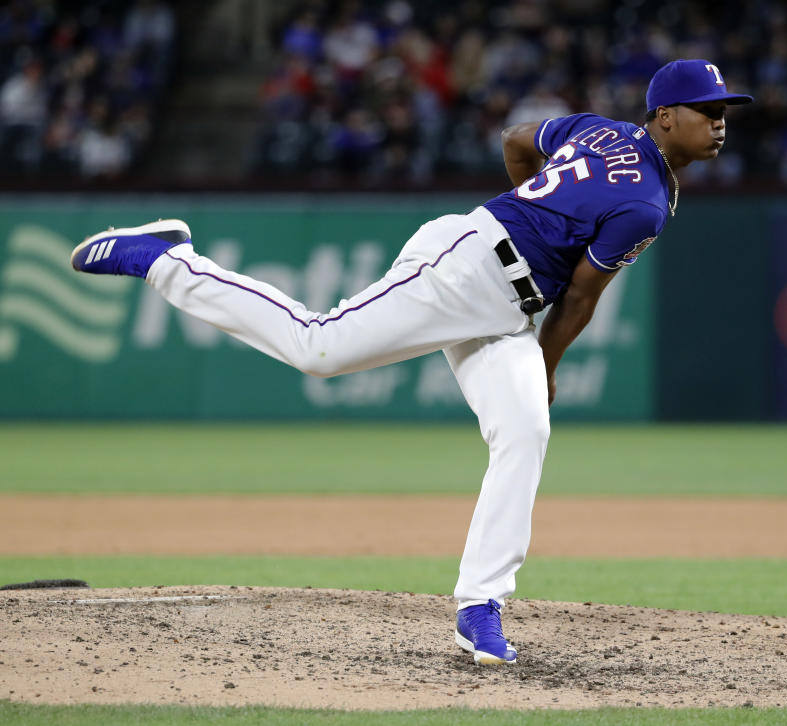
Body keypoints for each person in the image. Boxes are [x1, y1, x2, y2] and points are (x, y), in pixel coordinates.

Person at [71, 59, 751, 665]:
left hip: (501, 300)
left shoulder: (599, 131)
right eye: (710, 113)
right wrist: (546, 366)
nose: (721, 125)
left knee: (524, 432)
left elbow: (517, 139)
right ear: (667, 116)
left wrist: (531, 201)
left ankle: (480, 607)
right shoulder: (645, 203)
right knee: (319, 347)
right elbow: (578, 298)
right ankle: (166, 259)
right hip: (464, 271)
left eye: (725, 114)